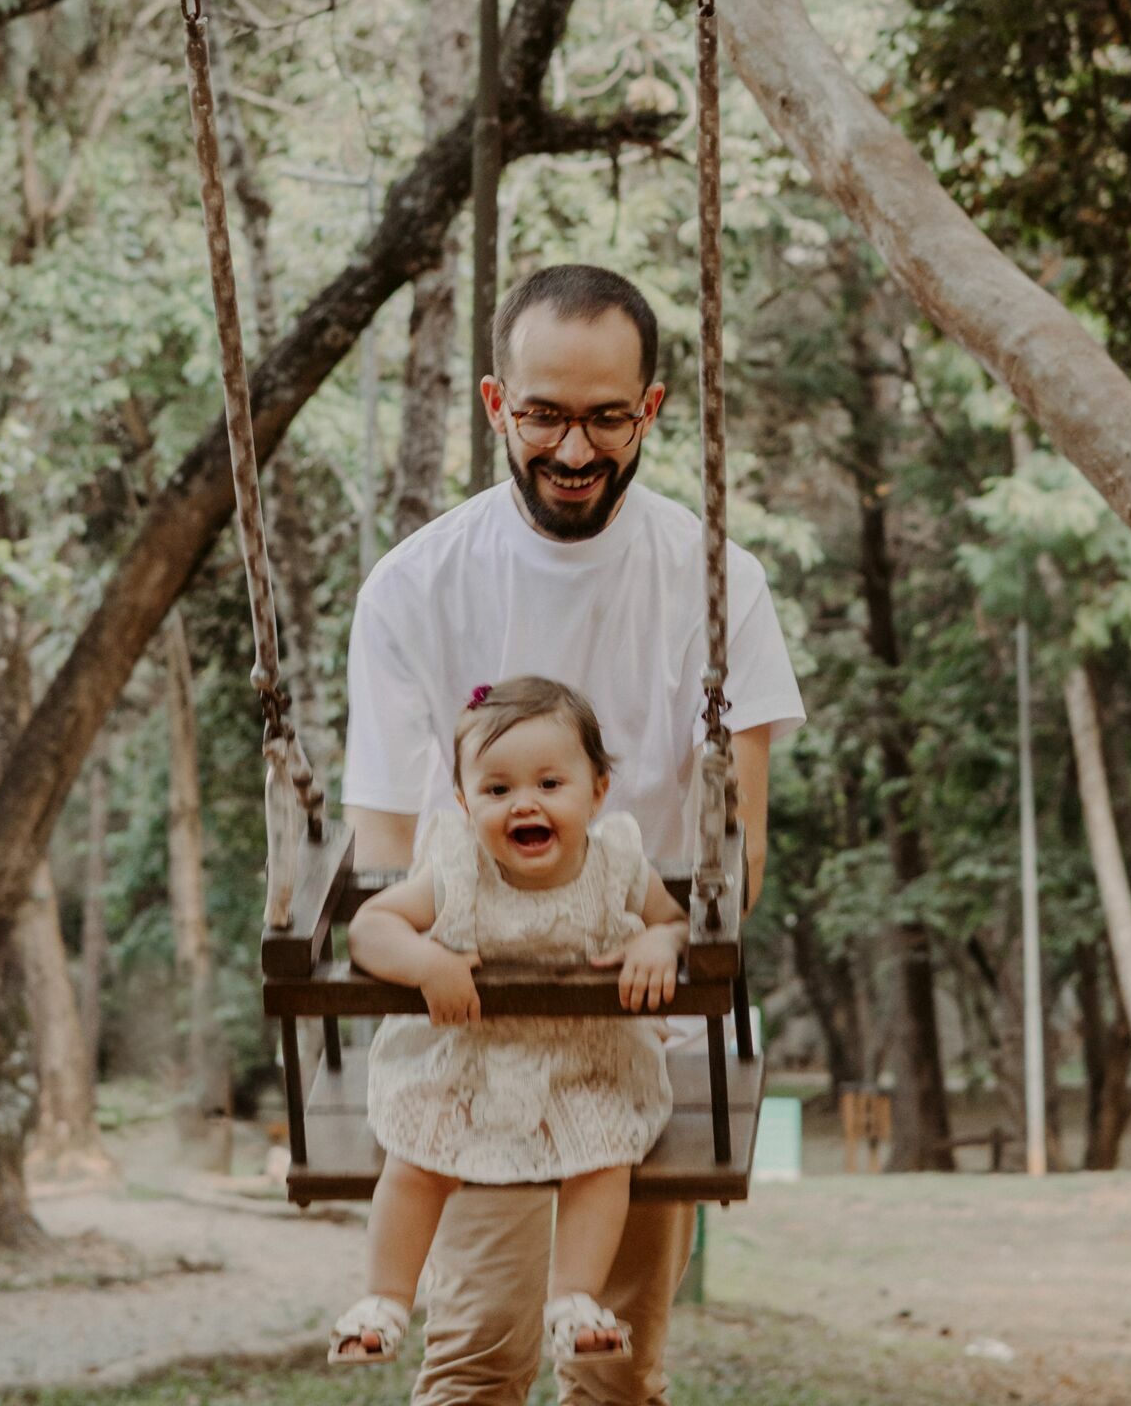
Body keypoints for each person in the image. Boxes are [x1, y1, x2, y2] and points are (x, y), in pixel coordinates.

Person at [342, 263, 805, 1406]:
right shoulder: (415, 586)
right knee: (479, 1360)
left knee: (611, 1373)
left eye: (607, 416)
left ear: (648, 410)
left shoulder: (716, 586)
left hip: (637, 1045)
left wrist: (671, 938)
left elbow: (734, 852)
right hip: (477, 1046)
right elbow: (388, 852)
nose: (574, 449)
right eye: (544, 413)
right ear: (498, 404)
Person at [329, 676, 688, 1369]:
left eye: (550, 783)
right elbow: (370, 927)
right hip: (467, 1057)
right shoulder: (458, 869)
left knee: (604, 1156)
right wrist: (426, 963)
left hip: (584, 1060)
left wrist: (656, 941)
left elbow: (673, 922)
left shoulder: (615, 864)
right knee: (417, 1155)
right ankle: (384, 1300)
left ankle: (573, 1300)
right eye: (496, 791)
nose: (523, 802)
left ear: (596, 792)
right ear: (464, 805)